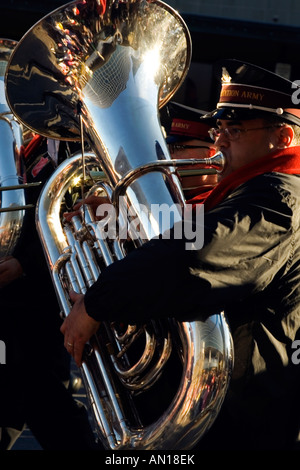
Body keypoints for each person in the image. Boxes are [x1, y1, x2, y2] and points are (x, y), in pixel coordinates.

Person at [61, 59, 300, 450]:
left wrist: (98, 304)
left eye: (235, 130)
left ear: (283, 137)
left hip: (242, 424)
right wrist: (121, 223)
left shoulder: (280, 200)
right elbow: (184, 239)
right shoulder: (252, 195)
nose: (219, 140)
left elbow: (194, 259)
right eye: (220, 128)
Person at [0, 134, 97, 450]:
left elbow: (80, 228)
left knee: (44, 399)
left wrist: (23, 264)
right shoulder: (33, 147)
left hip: (46, 298)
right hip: (10, 300)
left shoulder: (84, 144)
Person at [162, 101, 218, 199]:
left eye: (178, 148)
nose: (169, 156)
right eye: (168, 148)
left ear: (212, 155)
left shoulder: (215, 202)